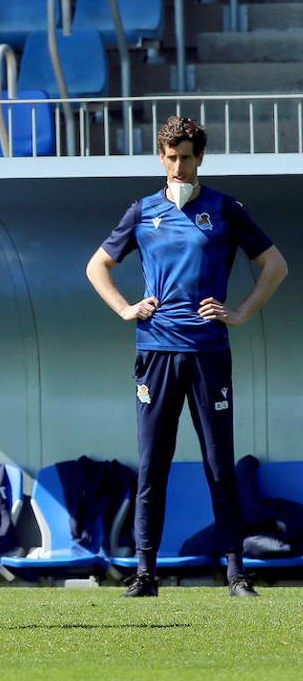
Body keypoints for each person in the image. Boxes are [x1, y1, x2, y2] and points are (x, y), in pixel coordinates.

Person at [86, 116, 288, 598]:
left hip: (208, 352)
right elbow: (98, 266)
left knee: (219, 465)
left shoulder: (224, 209)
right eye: (171, 157)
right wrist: (126, 309)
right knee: (153, 463)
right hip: (155, 351)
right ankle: (145, 574)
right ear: (161, 157)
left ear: (200, 159)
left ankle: (237, 574)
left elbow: (275, 265)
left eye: (187, 158)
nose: (178, 166)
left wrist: (238, 313)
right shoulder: (142, 211)